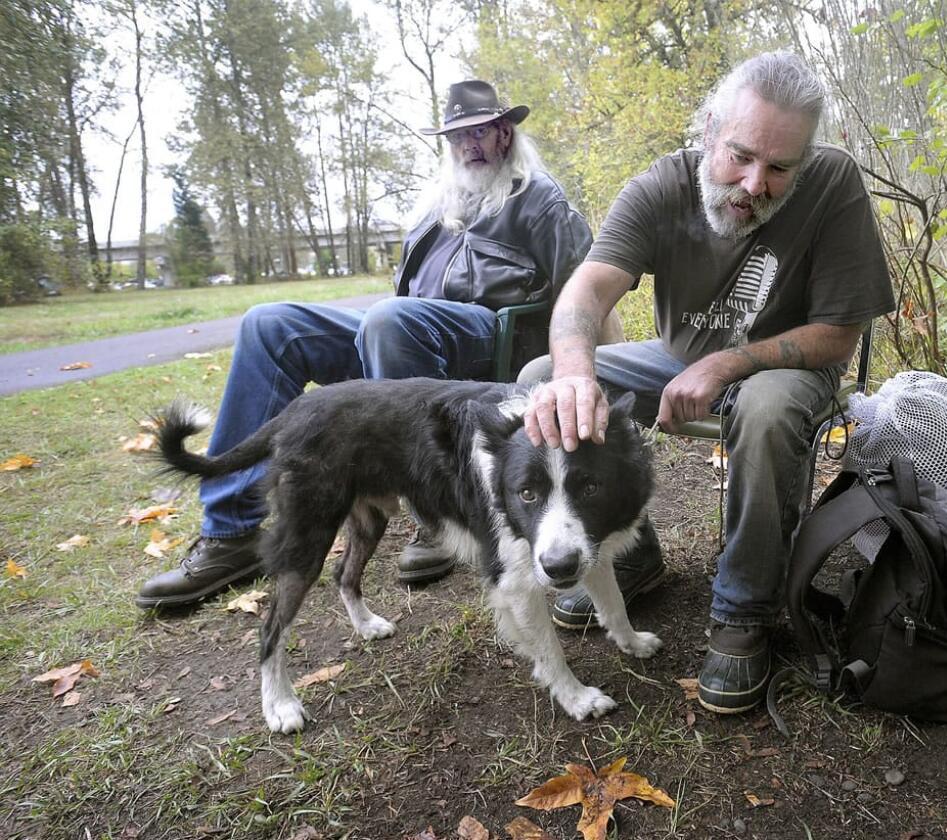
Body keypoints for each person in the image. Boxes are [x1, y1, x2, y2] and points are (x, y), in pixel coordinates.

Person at [518, 52, 895, 714]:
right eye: (740, 156)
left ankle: (744, 609)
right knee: (542, 377)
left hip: (789, 365)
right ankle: (623, 554)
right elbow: (588, 290)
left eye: (780, 168)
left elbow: (840, 332)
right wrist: (576, 373)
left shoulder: (833, 183)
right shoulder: (660, 188)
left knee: (768, 409)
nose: (755, 184)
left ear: (805, 160)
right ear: (707, 133)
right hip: (677, 357)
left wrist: (729, 362)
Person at [136, 80, 596, 610]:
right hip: (400, 335)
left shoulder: (537, 197)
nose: (468, 144)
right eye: (456, 135)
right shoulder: (434, 206)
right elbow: (401, 296)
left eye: (480, 131)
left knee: (389, 319)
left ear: (505, 132)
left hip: (487, 343)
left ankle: (436, 511)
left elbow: (583, 294)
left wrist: (586, 377)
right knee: (270, 323)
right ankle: (231, 531)